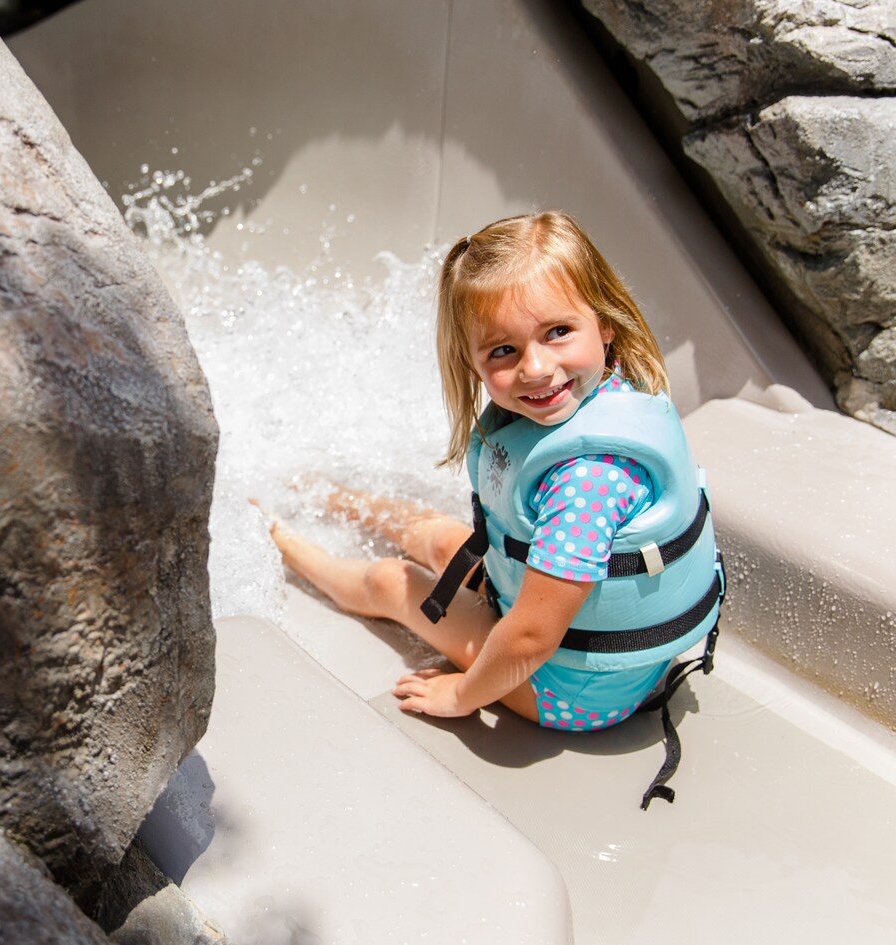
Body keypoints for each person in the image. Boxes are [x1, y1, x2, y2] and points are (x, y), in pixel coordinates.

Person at [266, 211, 723, 808]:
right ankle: (314, 491)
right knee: (433, 536)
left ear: (605, 325)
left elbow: (531, 638)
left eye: (557, 332)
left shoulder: (587, 484)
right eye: (504, 350)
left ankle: (275, 537)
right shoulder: (606, 395)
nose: (535, 368)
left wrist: (462, 696)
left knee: (393, 581)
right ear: (474, 364)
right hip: (588, 649)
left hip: (570, 690)